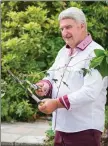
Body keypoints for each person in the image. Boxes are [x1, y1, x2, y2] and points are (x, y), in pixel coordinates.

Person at [35, 7, 108, 146]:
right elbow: (51, 75)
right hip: (61, 128)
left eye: (68, 27)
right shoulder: (63, 51)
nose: (64, 33)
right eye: (62, 29)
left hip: (84, 130)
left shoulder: (97, 54)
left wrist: (56, 103)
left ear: (82, 26)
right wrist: (44, 86)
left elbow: (90, 92)